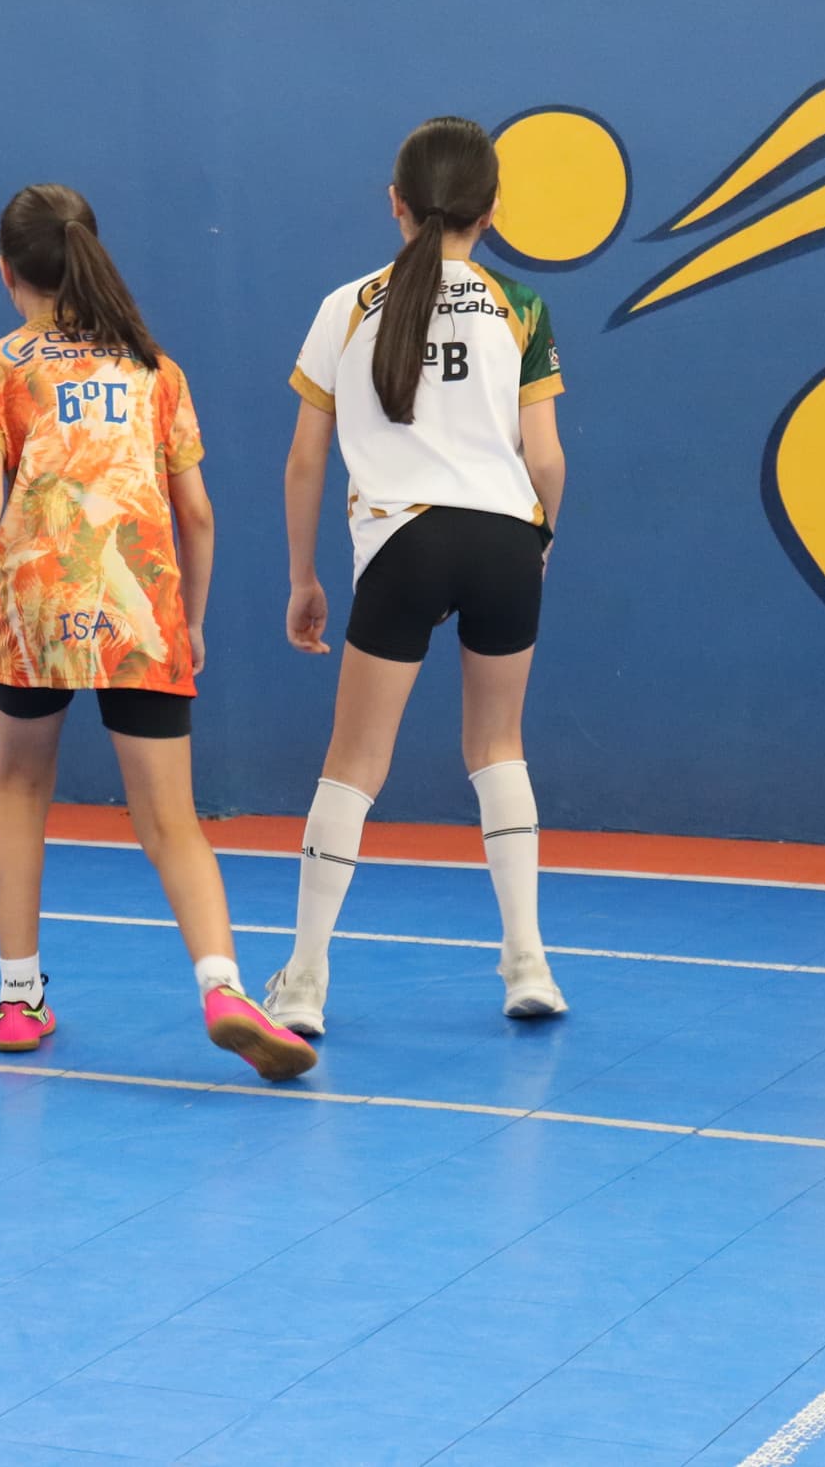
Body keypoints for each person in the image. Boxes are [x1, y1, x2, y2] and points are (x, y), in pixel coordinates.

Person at [0, 183, 316, 1084]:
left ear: (7, 273)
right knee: (171, 819)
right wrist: (187, 620)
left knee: (21, 787)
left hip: (31, 612)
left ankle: (19, 997)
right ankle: (223, 986)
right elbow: (200, 513)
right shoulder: (156, 371)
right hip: (138, 610)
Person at [263, 115, 570, 1037]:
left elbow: (304, 459)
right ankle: (528, 964)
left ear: (396, 205)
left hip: (403, 541)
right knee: (498, 746)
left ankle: (306, 979)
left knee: (354, 763)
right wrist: (539, 532)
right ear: (494, 210)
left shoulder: (346, 305)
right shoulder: (522, 305)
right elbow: (545, 458)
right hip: (504, 539)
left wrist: (304, 574)